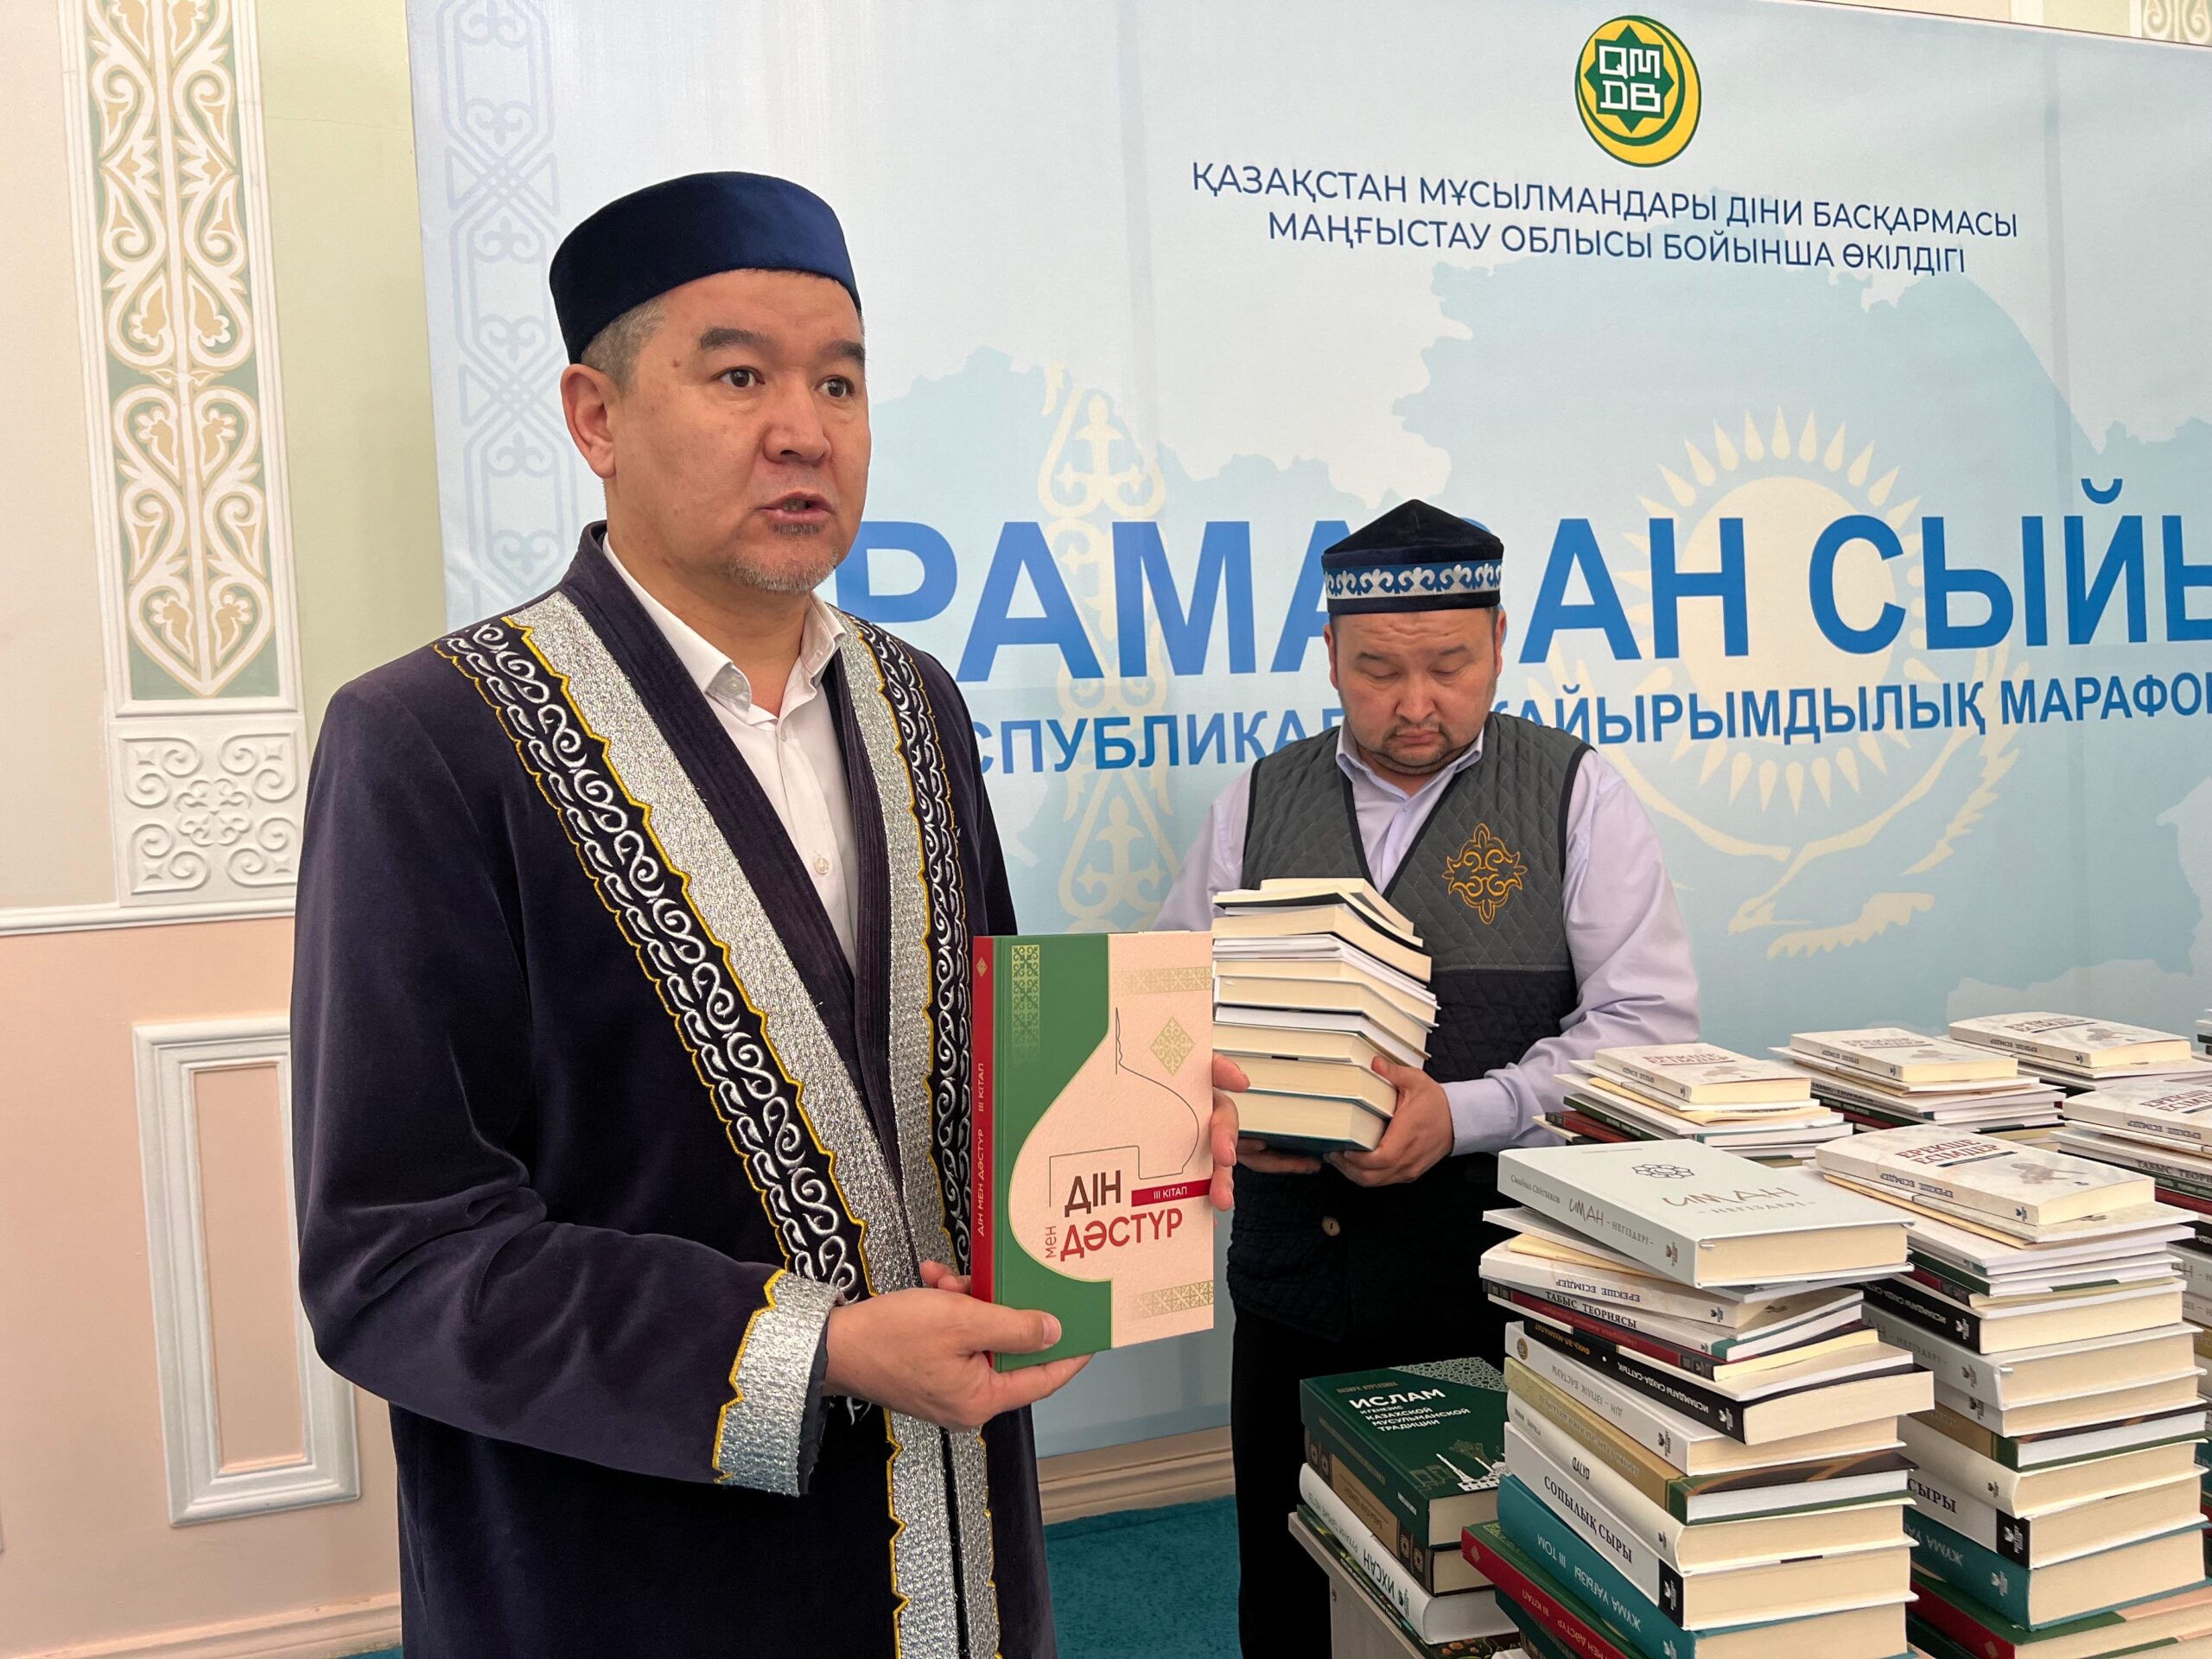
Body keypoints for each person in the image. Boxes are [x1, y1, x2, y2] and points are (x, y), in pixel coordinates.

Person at [291, 171, 1237, 1659]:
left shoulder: (917, 704)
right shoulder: (431, 739)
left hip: (961, 1533)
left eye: (839, 381)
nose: (805, 429)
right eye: (739, 376)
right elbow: (396, 1258)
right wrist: (819, 1351)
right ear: (596, 417)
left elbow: (969, 1084)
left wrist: (1142, 1130)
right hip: (633, 1573)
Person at [1154, 499, 1699, 1656]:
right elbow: (1169, 1005)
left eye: (1449, 666)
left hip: (1502, 1294)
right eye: (1377, 671)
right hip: (1296, 1293)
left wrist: (1463, 1114)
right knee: (1292, 1594)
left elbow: (1649, 1032)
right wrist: (1225, 1104)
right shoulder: (1257, 799)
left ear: (1499, 641)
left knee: (1495, 1608)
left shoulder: (1576, 793)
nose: (1414, 702)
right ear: (1329, 658)